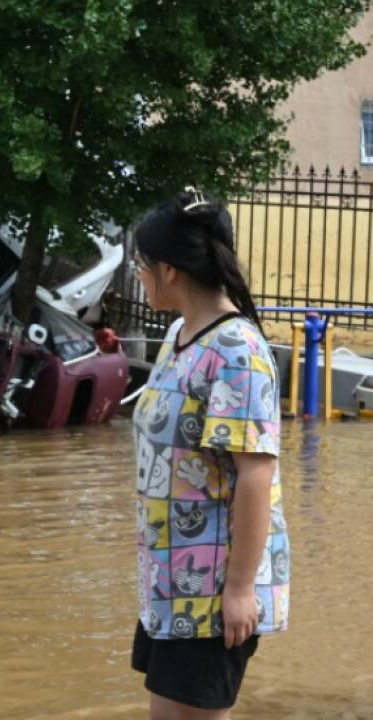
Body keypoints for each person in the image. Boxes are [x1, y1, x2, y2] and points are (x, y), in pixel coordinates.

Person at [129, 189, 289, 719]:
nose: (138, 274)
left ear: (169, 271)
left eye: (142, 264)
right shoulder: (180, 335)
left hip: (213, 586)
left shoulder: (237, 350)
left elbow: (256, 475)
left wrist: (240, 589)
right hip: (171, 575)